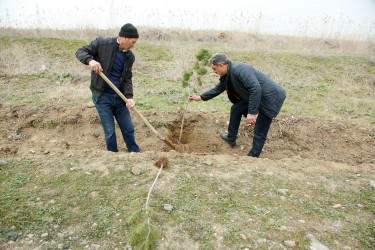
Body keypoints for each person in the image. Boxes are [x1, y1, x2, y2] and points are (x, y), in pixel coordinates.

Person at [189, 53, 286, 157]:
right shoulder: (228, 73)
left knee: (260, 129)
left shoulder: (239, 69)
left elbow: (255, 88)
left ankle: (253, 156)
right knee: (236, 109)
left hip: (271, 98)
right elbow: (219, 88)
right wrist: (200, 97)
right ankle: (231, 138)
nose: (214, 71)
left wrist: (252, 113)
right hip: (257, 96)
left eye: (214, 68)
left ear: (221, 65)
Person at [75, 23, 140, 153]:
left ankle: (135, 153)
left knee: (128, 128)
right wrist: (91, 61)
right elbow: (80, 52)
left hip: (120, 98)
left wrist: (129, 97)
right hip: (103, 96)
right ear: (124, 38)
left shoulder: (129, 56)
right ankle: (112, 156)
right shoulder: (102, 44)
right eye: (132, 42)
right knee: (109, 130)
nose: (134, 45)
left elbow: (127, 79)